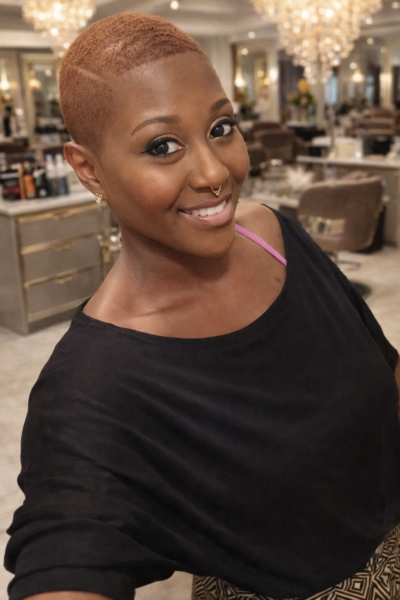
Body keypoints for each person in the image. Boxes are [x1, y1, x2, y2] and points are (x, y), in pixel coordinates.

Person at [5, 12, 400, 600]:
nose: (216, 173)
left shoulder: (274, 234)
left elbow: (384, 372)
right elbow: (66, 546)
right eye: (162, 146)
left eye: (221, 127)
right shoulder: (90, 386)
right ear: (88, 169)